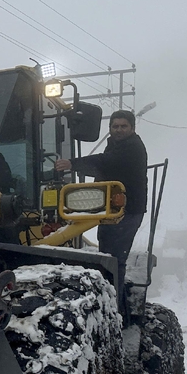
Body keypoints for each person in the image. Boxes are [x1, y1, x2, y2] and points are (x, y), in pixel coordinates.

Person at [55, 110, 148, 295]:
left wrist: (73, 164)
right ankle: (108, 292)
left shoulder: (133, 148)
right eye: (115, 126)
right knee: (106, 254)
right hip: (111, 210)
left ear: (132, 128)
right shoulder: (114, 146)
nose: (119, 129)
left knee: (114, 259)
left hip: (128, 210)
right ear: (110, 128)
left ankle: (114, 300)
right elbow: (103, 167)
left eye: (123, 126)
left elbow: (107, 163)